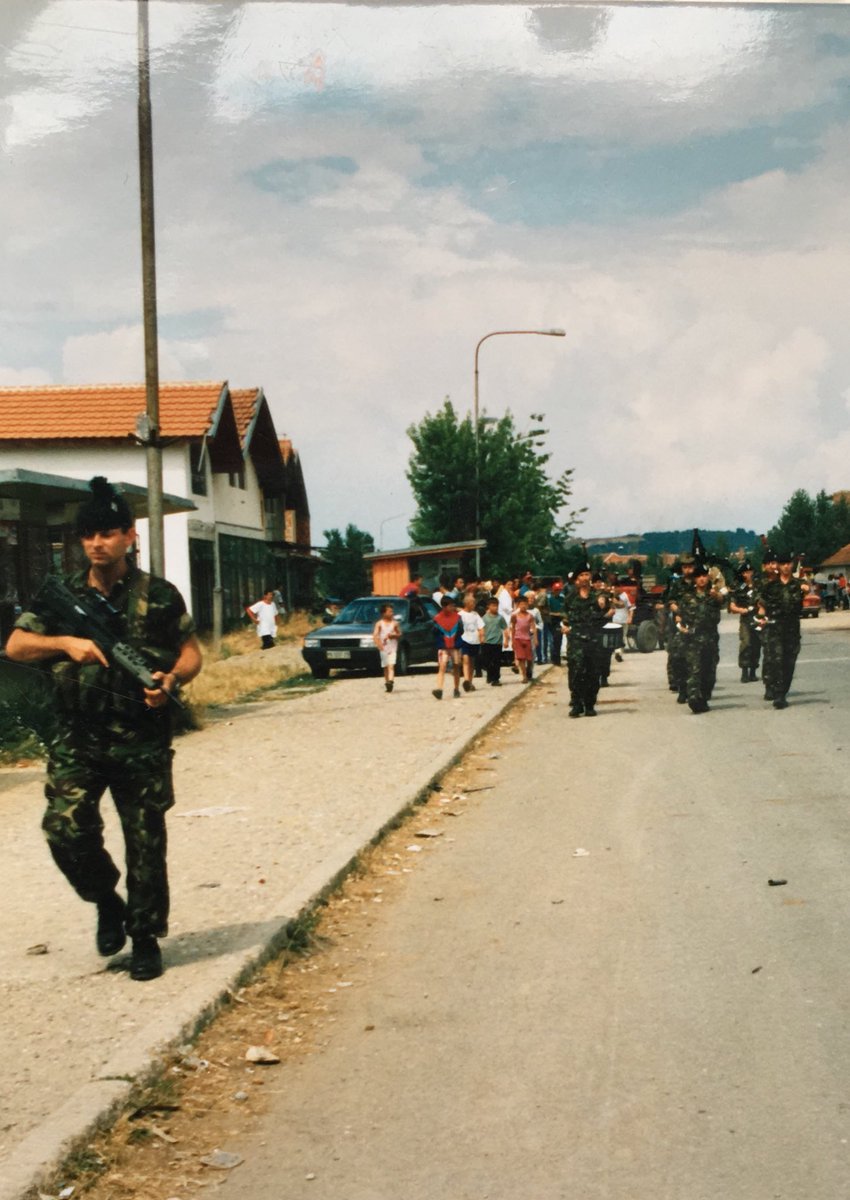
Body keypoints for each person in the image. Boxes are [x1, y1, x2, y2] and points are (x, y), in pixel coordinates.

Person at [4, 477, 202, 981]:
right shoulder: (61, 596)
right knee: (64, 830)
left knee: (145, 841)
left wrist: (171, 679)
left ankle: (144, 938)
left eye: (108, 533)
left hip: (141, 738)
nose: (97, 543)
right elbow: (16, 646)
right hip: (78, 737)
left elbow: (191, 652)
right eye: (88, 534)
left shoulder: (158, 595)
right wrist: (66, 644)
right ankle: (106, 901)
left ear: (129, 536)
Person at [756, 549, 808, 709]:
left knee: (789, 663)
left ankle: (783, 691)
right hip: (775, 629)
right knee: (776, 661)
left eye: (788, 564)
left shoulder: (799, 585)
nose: (786, 567)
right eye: (783, 564)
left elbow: (804, 599)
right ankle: (778, 695)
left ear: (792, 565)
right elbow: (762, 605)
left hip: (792, 629)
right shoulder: (770, 586)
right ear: (778, 566)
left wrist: (805, 590)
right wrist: (761, 619)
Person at [562, 561, 611, 716]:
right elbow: (565, 618)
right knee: (576, 672)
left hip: (594, 640)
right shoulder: (570, 598)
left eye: (587, 575)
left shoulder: (598, 596)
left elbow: (608, 610)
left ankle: (589, 704)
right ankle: (577, 704)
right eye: (581, 575)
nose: (584, 578)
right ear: (577, 579)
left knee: (592, 673)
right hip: (576, 640)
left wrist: (605, 608)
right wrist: (564, 626)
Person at [674, 561, 722, 714]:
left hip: (710, 638)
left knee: (709, 672)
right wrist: (681, 627)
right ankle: (694, 699)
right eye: (699, 576)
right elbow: (679, 615)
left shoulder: (713, 595)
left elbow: (724, 600)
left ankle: (704, 698)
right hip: (693, 639)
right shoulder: (687, 597)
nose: (702, 579)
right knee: (695, 670)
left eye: (704, 576)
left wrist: (717, 595)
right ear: (695, 579)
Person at [728, 561, 761, 682]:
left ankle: (753, 671)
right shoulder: (739, 587)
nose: (749, 574)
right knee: (746, 643)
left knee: (757, 645)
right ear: (742, 574)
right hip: (746, 619)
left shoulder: (759, 585)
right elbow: (732, 606)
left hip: (758, 618)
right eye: (746, 572)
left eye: (750, 571)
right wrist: (741, 610)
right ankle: (744, 671)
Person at [431, 595, 463, 699]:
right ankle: (439, 689)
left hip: (455, 646)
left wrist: (456, 642)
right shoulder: (437, 619)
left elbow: (461, 631)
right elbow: (434, 632)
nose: (452, 608)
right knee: (442, 666)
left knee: (456, 666)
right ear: (444, 606)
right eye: (450, 606)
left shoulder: (457, 618)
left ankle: (456, 689)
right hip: (443, 647)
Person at [372, 602, 402, 693]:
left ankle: (391, 681)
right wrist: (378, 644)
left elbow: (399, 633)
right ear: (383, 613)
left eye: (392, 611)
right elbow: (375, 635)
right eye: (389, 611)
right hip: (384, 648)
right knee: (385, 666)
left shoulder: (395, 623)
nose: (391, 613)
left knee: (391, 665)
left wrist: (394, 635)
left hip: (392, 647)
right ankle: (387, 683)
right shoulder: (379, 624)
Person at [458, 591, 485, 691]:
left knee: (472, 661)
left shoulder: (475, 614)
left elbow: (481, 627)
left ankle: (470, 681)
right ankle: (466, 680)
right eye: (472, 603)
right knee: (465, 659)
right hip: (464, 639)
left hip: (474, 640)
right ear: (467, 603)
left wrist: (482, 636)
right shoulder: (460, 615)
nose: (474, 605)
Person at [510, 593, 537, 683]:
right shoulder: (514, 616)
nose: (523, 606)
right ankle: (524, 676)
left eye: (525, 604)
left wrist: (535, 639)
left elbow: (533, 628)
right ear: (518, 605)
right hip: (518, 638)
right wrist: (513, 640)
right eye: (521, 604)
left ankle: (529, 670)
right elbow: (513, 628)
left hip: (527, 638)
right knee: (521, 658)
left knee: (529, 658)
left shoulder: (530, 616)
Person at [481, 596, 507, 686]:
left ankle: (496, 679)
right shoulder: (484, 618)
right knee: (487, 661)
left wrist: (506, 640)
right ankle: (489, 674)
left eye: (496, 605)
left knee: (496, 661)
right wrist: (481, 637)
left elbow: (505, 628)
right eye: (493, 605)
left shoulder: (500, 618)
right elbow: (481, 628)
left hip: (497, 642)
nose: (495, 607)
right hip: (487, 642)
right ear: (488, 606)